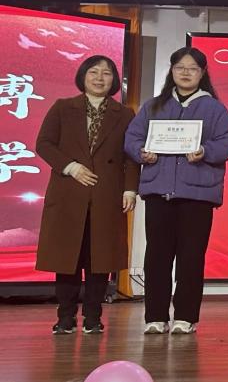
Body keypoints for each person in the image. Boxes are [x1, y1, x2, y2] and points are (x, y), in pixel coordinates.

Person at [124, 47, 228, 335]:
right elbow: (132, 138)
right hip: (159, 192)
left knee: (191, 258)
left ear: (202, 73)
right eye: (180, 67)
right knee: (157, 257)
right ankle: (155, 316)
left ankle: (186, 317)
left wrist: (205, 151)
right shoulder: (153, 106)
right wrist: (142, 152)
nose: (186, 73)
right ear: (172, 71)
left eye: (192, 68)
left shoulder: (214, 108)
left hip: (197, 194)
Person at [35, 55, 140, 335]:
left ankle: (93, 317)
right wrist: (71, 167)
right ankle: (65, 317)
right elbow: (44, 144)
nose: (99, 78)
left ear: (114, 80)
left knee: (100, 259)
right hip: (68, 192)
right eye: (94, 72)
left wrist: (130, 189)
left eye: (106, 73)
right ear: (82, 76)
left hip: (107, 193)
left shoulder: (124, 114)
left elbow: (131, 156)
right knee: (66, 257)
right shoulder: (62, 107)